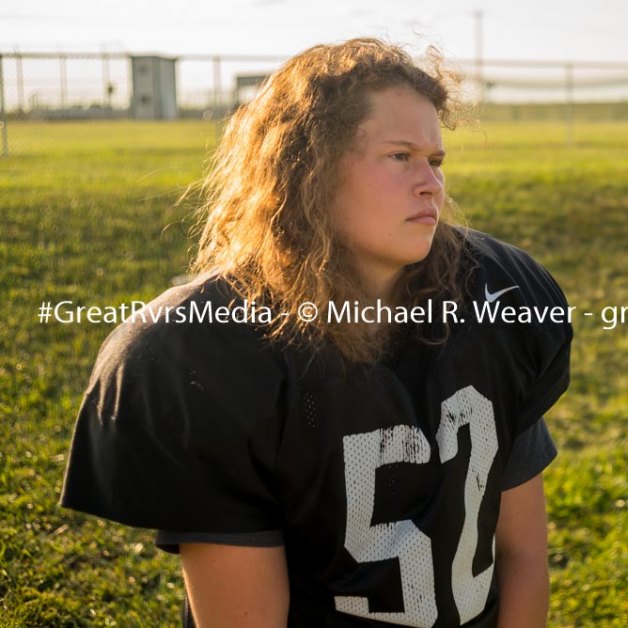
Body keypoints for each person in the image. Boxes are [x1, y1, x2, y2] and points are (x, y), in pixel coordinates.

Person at [61, 38, 573, 627]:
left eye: (435, 160)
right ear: (309, 168)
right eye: (400, 155)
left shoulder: (499, 298)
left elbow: (523, 554)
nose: (432, 184)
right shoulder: (208, 350)